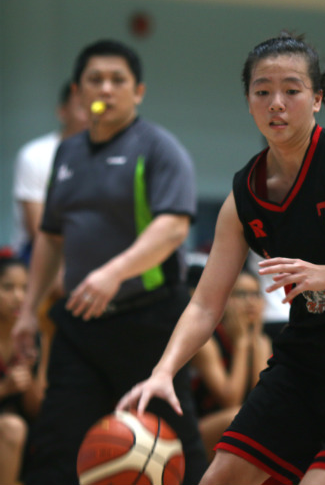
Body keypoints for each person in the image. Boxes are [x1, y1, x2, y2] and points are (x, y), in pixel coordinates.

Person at [117, 32, 325, 485]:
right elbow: (206, 304)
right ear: (248, 102)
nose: (276, 103)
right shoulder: (243, 196)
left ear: (317, 99)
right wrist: (163, 372)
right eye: (262, 91)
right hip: (305, 358)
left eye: (291, 89)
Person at [12, 39, 207, 485]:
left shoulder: (159, 148)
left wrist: (112, 273)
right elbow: (49, 237)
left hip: (149, 323)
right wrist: (28, 314)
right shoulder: (68, 153)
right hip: (79, 326)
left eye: (118, 80)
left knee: (176, 450)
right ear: (78, 93)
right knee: (57, 447)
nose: (106, 88)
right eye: (94, 80)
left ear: (137, 91)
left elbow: (173, 227)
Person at [190, 269, 272, 460]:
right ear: (225, 300)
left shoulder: (262, 341)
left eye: (256, 294)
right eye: (242, 294)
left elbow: (261, 399)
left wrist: (256, 342)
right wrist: (242, 344)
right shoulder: (207, 341)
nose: (251, 301)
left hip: (241, 423)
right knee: (237, 416)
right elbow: (230, 399)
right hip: (200, 427)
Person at [11, 81, 89, 264]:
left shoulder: (114, 155)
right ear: (62, 112)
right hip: (36, 253)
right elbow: (38, 230)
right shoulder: (35, 155)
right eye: (81, 108)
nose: (90, 115)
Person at [0, 253, 44, 485]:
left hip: (21, 437)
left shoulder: (32, 336)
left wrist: (29, 373)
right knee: (12, 427)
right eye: (8, 287)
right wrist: (5, 388)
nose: (18, 297)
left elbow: (36, 410)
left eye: (24, 289)